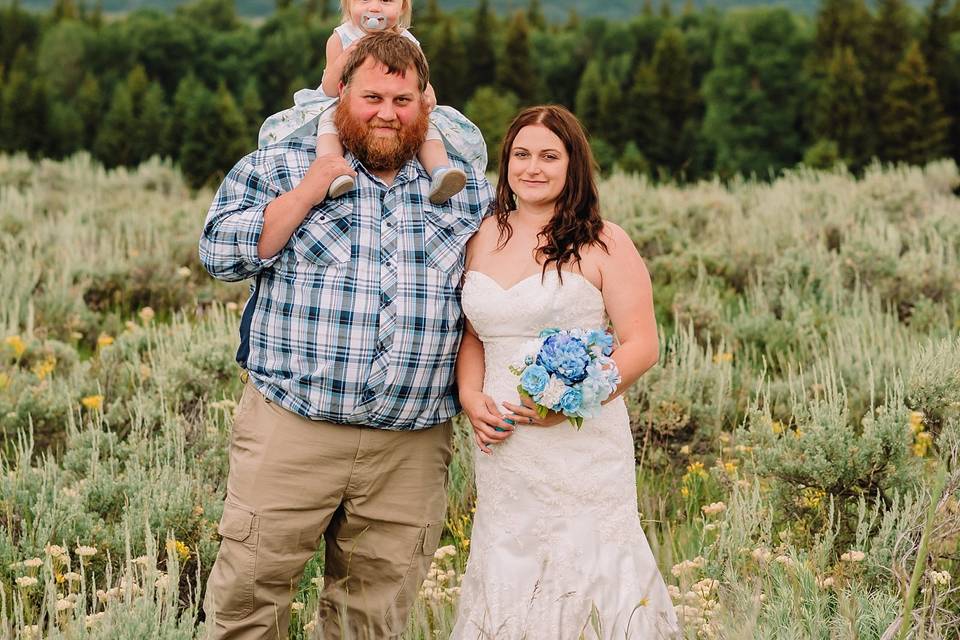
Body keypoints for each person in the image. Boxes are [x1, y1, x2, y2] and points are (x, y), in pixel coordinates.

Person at [198, 32, 494, 640]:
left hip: (410, 449)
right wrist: (310, 189)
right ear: (340, 96)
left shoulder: (462, 192)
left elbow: (495, 300)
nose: (387, 112)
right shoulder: (280, 164)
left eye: (403, 99)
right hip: (292, 432)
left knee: (375, 621)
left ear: (425, 105)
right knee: (246, 607)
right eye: (372, 97)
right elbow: (219, 252)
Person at [451, 105, 680, 639]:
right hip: (503, 442)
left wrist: (566, 404)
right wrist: (468, 393)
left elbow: (642, 344)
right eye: (522, 155)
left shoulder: (604, 241)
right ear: (505, 162)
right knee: (509, 558)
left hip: (581, 440)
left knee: (590, 560)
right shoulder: (480, 236)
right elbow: (471, 332)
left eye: (549, 156)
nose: (533, 167)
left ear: (573, 164)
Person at [258, 0, 485, 204]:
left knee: (428, 125)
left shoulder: (407, 41)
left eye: (386, 1)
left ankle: (440, 171)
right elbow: (329, 87)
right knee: (330, 122)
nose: (375, 8)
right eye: (364, 0)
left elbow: (421, 78)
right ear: (348, 4)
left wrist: (428, 95)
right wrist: (346, 57)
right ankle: (333, 170)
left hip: (394, 101)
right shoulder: (340, 38)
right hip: (342, 100)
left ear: (402, 7)